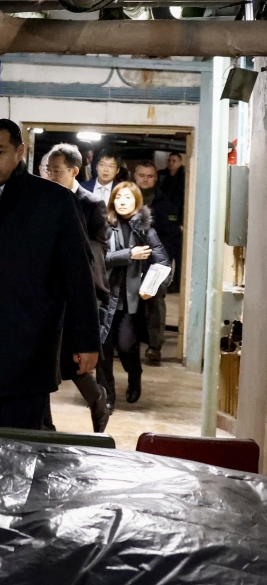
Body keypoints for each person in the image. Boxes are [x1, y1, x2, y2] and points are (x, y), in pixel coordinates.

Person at [0, 119, 99, 435]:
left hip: (30, 343)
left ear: (20, 152)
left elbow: (78, 274)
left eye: (0, 151)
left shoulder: (52, 201)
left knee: (19, 440)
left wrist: (86, 341)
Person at [44, 144, 111, 432]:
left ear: (74, 171)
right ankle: (44, 425)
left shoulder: (91, 203)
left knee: (72, 359)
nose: (52, 176)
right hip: (47, 289)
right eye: (49, 170)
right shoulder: (43, 198)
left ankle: (97, 398)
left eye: (57, 171)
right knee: (44, 356)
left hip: (76, 291)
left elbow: (98, 250)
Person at [96, 182, 171, 409]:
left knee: (127, 346)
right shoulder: (103, 226)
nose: (122, 202)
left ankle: (134, 375)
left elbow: (163, 263)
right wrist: (129, 254)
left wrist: (153, 287)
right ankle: (106, 397)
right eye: (118, 197)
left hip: (132, 301)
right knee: (103, 349)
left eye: (128, 198)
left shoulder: (146, 231)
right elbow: (99, 259)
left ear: (137, 202)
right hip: (105, 297)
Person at [134, 160, 180, 366]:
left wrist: (163, 264)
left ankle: (154, 347)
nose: (145, 179)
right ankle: (127, 344)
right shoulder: (125, 198)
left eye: (150, 176)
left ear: (155, 178)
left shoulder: (164, 203)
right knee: (126, 304)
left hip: (154, 266)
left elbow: (171, 239)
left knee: (155, 305)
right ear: (135, 176)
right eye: (142, 175)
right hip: (129, 262)